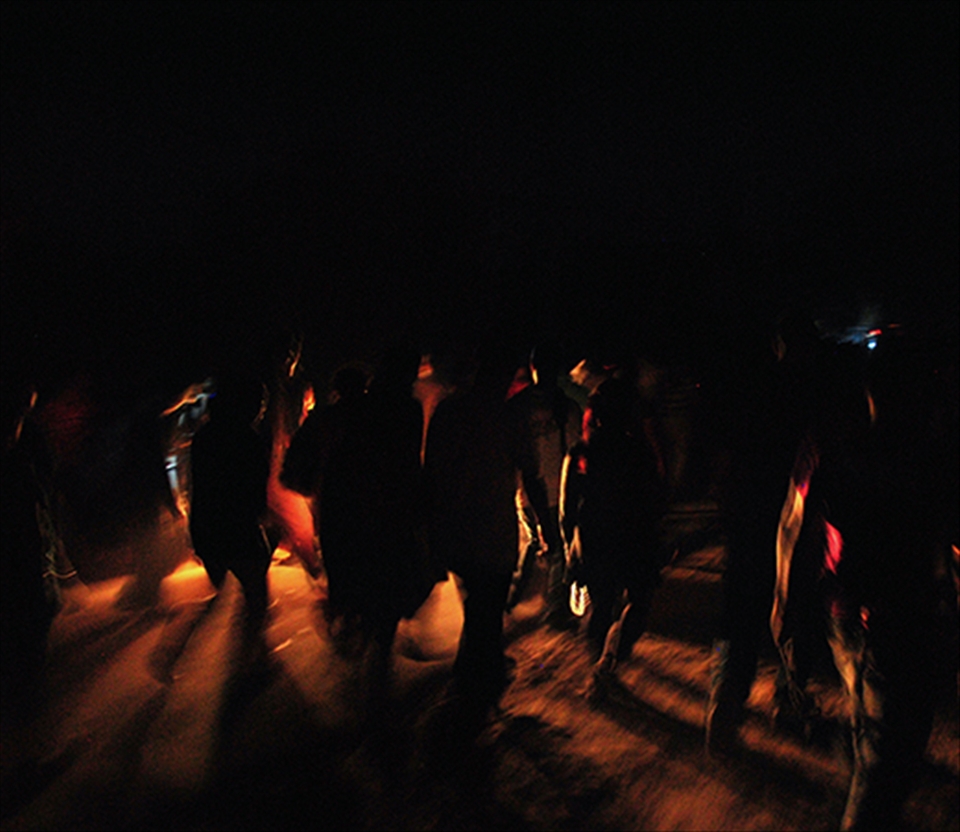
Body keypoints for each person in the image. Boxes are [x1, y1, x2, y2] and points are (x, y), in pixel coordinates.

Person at [773, 332, 957, 830]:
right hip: (894, 618)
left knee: (869, 726)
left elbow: (793, 527)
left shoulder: (829, 447)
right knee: (890, 754)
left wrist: (783, 604)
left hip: (848, 613)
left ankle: (855, 793)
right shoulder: (922, 452)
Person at [704, 310, 832, 753]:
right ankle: (787, 702)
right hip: (791, 524)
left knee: (738, 616)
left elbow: (725, 459)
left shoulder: (751, 391)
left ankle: (724, 702)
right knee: (797, 615)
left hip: (749, 519)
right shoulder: (813, 395)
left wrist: (728, 509)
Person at [424, 340, 553, 735]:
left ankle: (477, 681)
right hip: (492, 532)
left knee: (478, 609)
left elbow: (432, 474)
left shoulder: (450, 410)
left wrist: (432, 527)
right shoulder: (509, 417)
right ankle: (474, 693)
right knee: (485, 610)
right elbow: (531, 475)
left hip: (456, 530)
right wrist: (547, 524)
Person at [559, 355, 668, 699]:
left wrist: (571, 549)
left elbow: (567, 510)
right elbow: (653, 499)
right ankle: (609, 661)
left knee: (602, 607)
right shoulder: (638, 452)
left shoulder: (581, 453)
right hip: (633, 538)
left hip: (595, 539)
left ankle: (598, 669)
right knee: (637, 601)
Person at [187, 371, 274, 664]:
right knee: (255, 593)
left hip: (207, 525)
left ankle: (175, 649)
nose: (261, 409)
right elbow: (254, 488)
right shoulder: (247, 439)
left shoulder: (204, 435)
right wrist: (262, 516)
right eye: (259, 403)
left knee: (223, 592)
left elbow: (198, 485)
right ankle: (250, 656)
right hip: (237, 527)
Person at [505, 342, 583, 627]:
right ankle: (554, 609)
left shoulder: (516, 407)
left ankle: (509, 599)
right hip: (556, 491)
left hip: (528, 492)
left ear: (533, 368)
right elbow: (576, 452)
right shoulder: (568, 407)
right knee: (558, 548)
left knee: (536, 544)